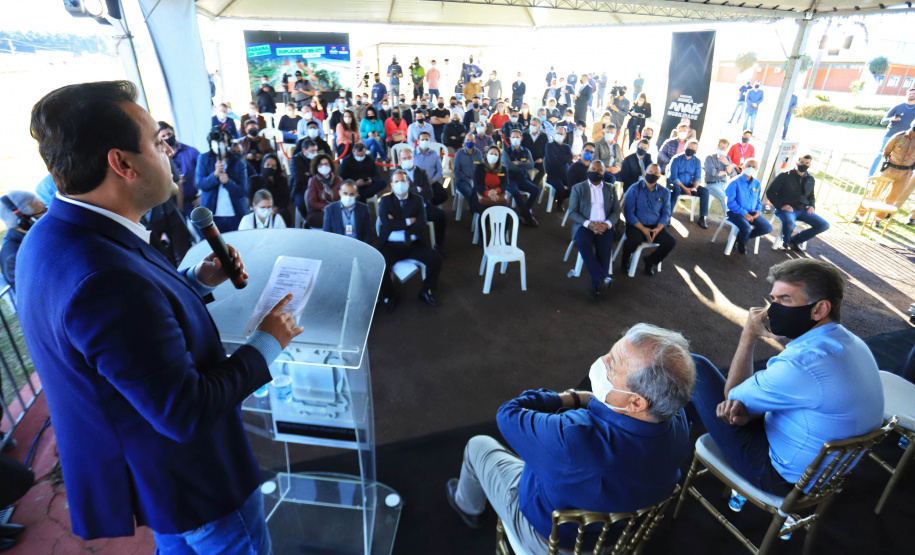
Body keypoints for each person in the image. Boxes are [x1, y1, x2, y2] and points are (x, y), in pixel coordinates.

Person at [22, 80, 302, 552]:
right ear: (123, 163)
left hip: (158, 482)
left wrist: (193, 281)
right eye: (157, 142)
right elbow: (184, 410)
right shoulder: (105, 281)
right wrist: (267, 343)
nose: (169, 152)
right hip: (196, 484)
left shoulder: (53, 236)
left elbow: (124, 340)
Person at [446, 324, 694, 553]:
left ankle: (468, 507)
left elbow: (508, 414)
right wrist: (592, 399)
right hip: (612, 538)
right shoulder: (679, 423)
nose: (603, 360)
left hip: (550, 540)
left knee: (478, 446)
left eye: (613, 365)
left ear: (636, 402)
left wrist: (570, 397)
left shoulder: (573, 436)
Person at [688, 259, 884, 503]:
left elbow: (733, 397)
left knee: (695, 365)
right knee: (743, 407)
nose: (771, 310)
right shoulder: (851, 342)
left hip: (782, 479)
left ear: (820, 309)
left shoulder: (801, 364)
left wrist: (748, 335)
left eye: (785, 299)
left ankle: (665, 430)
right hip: (827, 474)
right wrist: (750, 412)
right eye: (773, 299)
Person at [377, 169, 442, 310]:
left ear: (408, 183)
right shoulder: (385, 200)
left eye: (402, 181)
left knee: (435, 258)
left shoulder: (417, 199)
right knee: (380, 265)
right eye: (396, 181)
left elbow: (421, 224)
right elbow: (387, 224)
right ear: (392, 185)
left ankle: (425, 290)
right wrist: (409, 221)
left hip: (413, 244)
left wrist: (398, 224)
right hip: (390, 245)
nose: (400, 184)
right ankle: (389, 296)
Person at [568, 160, 620, 297]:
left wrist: (607, 224)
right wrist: (589, 224)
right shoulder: (578, 188)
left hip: (605, 226)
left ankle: (597, 285)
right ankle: (602, 278)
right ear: (588, 170)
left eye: (599, 170)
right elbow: (572, 212)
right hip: (585, 225)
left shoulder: (610, 189)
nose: (596, 172)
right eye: (593, 169)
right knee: (583, 244)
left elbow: (616, 211)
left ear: (604, 173)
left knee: (605, 248)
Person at [622, 165, 676, 275]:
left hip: (655, 226)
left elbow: (666, 213)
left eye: (655, 173)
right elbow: (628, 213)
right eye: (650, 171)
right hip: (636, 224)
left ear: (659, 176)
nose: (652, 174)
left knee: (670, 242)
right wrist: (643, 229)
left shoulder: (664, 192)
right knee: (634, 241)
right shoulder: (634, 189)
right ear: (645, 173)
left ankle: (650, 261)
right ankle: (625, 260)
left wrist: (658, 228)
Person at [767, 155, 830, 249]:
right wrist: (781, 206)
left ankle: (795, 241)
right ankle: (785, 243)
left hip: (803, 209)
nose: (804, 165)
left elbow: (811, 196)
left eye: (807, 163)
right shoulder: (784, 176)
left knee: (824, 225)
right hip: (787, 209)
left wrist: (812, 206)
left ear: (810, 165)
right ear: (797, 163)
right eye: (802, 162)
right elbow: (770, 192)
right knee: (789, 223)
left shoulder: (810, 179)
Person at [196, 126, 248, 232]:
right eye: (215, 141)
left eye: (222, 140)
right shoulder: (204, 159)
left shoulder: (239, 162)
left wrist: (228, 182)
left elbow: (242, 191)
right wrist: (214, 175)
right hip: (212, 215)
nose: (219, 143)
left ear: (228, 142)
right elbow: (201, 184)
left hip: (235, 214)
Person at [398, 148, 446, 249]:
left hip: (423, 206)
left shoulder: (421, 172)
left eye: (409, 157)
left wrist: (409, 190)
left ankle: (439, 245)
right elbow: (400, 194)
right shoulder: (396, 174)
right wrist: (417, 189)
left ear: (413, 158)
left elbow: (428, 193)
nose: (407, 160)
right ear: (400, 160)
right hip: (405, 209)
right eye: (404, 158)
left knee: (441, 215)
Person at [725, 158, 772, 254]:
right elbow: (730, 202)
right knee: (746, 228)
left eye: (753, 167)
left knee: (767, 228)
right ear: (743, 167)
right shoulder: (735, 182)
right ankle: (742, 243)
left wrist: (758, 211)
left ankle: (739, 238)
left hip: (752, 212)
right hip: (735, 212)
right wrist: (744, 213)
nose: (751, 168)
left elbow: (758, 200)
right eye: (748, 166)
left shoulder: (757, 183)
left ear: (756, 169)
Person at [0, 191, 45, 292]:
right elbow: (32, 293)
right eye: (44, 211)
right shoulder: (12, 257)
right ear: (27, 222)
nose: (48, 214)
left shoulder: (39, 234)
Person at [869, 86, 915, 176]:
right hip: (890, 135)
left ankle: (889, 176)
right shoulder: (898, 107)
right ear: (907, 95)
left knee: (899, 158)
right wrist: (892, 119)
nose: (911, 95)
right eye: (910, 94)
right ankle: (870, 174)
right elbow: (883, 121)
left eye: (914, 94)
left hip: (906, 138)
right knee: (881, 154)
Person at [157, 122, 200, 216]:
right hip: (172, 206)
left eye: (169, 134)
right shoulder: (159, 158)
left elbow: (206, 172)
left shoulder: (191, 152)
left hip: (193, 202)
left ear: (174, 133)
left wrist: (202, 196)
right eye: (163, 136)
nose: (167, 138)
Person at [502, 129, 541, 227]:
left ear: (521, 138)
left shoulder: (526, 151)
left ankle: (523, 214)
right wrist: (524, 165)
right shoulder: (506, 151)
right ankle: (529, 215)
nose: (515, 139)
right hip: (510, 179)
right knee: (516, 193)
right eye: (513, 137)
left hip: (522, 179)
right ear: (510, 139)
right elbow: (508, 166)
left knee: (535, 190)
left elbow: (531, 165)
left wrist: (519, 163)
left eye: (517, 137)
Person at [668, 140, 709, 228]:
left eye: (693, 149)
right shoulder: (676, 159)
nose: (690, 149)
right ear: (685, 147)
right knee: (676, 189)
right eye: (688, 147)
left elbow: (698, 177)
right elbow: (674, 177)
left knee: (705, 191)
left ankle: (702, 218)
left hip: (688, 184)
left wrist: (695, 187)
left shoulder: (697, 161)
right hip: (676, 184)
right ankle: (668, 216)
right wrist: (685, 189)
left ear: (696, 151)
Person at [246, 153, 291, 225]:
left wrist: (273, 209)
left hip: (277, 209)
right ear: (263, 165)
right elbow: (251, 198)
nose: (270, 168)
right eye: (267, 165)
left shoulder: (282, 181)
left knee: (284, 214)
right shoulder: (253, 180)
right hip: (259, 208)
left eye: (273, 166)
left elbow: (286, 200)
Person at [305, 153, 342, 229]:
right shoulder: (313, 180)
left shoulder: (338, 180)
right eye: (320, 165)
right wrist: (325, 207)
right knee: (316, 219)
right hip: (319, 211)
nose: (324, 166)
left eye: (326, 164)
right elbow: (311, 202)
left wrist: (334, 207)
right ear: (316, 167)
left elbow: (342, 197)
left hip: (336, 209)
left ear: (330, 165)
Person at [473, 146, 511, 213]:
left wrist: (496, 191)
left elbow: (505, 184)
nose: (493, 156)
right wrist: (488, 193)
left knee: (505, 214)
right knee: (485, 213)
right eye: (491, 153)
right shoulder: (479, 168)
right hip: (483, 195)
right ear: (487, 155)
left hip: (498, 195)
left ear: (499, 157)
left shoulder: (503, 169)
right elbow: (477, 185)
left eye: (496, 154)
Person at [704, 139, 737, 213]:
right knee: (724, 197)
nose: (721, 149)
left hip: (724, 183)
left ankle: (737, 216)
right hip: (712, 184)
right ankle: (728, 217)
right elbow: (713, 173)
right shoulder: (710, 158)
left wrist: (727, 164)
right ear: (717, 146)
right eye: (720, 147)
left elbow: (732, 173)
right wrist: (725, 171)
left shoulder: (727, 159)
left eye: (724, 148)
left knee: (733, 196)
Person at [453, 134, 484, 215]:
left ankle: (479, 210)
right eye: (468, 140)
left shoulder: (478, 153)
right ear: (464, 142)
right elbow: (456, 171)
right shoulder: (459, 154)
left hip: (476, 181)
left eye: (472, 140)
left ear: (475, 142)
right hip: (462, 181)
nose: (469, 142)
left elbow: (481, 168)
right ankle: (475, 211)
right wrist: (468, 180)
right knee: (470, 193)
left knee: (484, 192)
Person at [414, 131, 446, 205]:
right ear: (418, 141)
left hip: (431, 182)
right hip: (417, 184)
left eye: (426, 139)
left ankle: (429, 207)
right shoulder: (413, 155)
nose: (424, 141)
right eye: (422, 140)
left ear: (429, 141)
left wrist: (432, 181)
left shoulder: (434, 154)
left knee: (443, 195)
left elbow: (439, 171)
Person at [290, 139, 318, 222]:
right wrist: (311, 176)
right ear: (304, 150)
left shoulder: (317, 159)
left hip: (316, 187)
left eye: (316, 150)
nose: (314, 153)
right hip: (299, 188)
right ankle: (309, 222)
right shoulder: (295, 160)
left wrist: (308, 174)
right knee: (302, 204)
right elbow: (299, 178)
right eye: (312, 150)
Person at [521, 117, 548, 186]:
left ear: (539, 126)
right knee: (523, 169)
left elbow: (546, 150)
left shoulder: (544, 136)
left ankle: (534, 184)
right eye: (531, 124)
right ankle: (529, 184)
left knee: (543, 169)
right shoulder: (524, 135)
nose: (532, 126)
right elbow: (521, 148)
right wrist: (525, 158)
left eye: (534, 125)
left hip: (538, 160)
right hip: (527, 159)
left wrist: (541, 158)